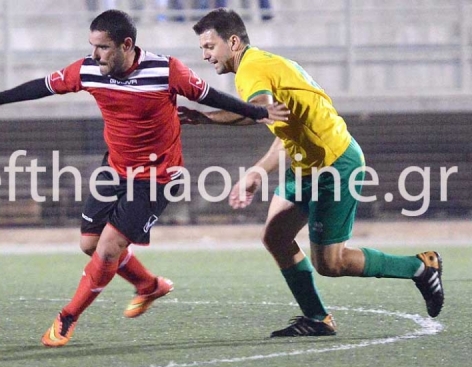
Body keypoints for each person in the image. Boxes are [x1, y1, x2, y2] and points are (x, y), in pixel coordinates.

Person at [0, 9, 289, 347]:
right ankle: (148, 285)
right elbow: (44, 86)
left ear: (126, 45)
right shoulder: (88, 70)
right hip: (114, 167)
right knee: (89, 245)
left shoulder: (166, 70)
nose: (95, 54)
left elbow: (210, 95)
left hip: (157, 176)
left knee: (110, 247)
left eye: (103, 47)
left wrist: (257, 111)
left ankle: (68, 316)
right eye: (93, 46)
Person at [179, 8, 444, 337]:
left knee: (331, 263)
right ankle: (317, 319)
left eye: (209, 47)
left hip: (334, 164)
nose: (205, 55)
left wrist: (205, 117)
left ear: (233, 42)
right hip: (306, 166)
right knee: (276, 237)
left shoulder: (251, 69)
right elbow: (284, 127)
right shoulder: (266, 64)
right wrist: (259, 171)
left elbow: (258, 111)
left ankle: (420, 266)